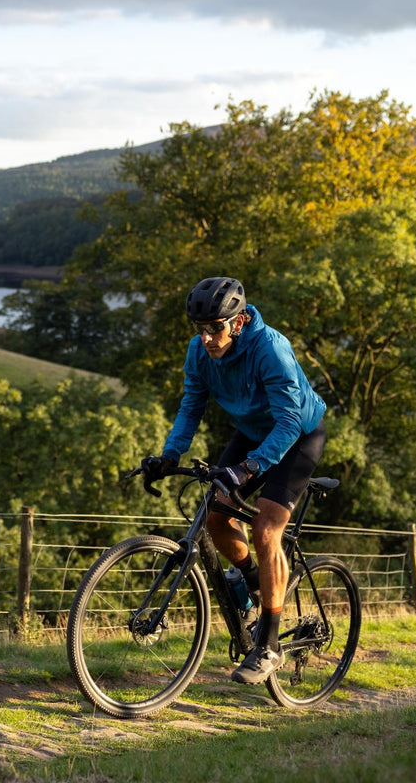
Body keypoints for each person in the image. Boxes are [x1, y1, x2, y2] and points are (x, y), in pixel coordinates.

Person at [141, 276, 326, 684]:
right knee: (214, 515)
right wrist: (170, 455)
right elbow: (192, 404)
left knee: (265, 528)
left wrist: (253, 466)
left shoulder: (269, 348)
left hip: (297, 434)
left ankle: (271, 646)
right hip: (252, 430)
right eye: (199, 329)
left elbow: (290, 420)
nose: (207, 338)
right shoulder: (199, 352)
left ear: (239, 322)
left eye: (215, 328)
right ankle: (251, 581)